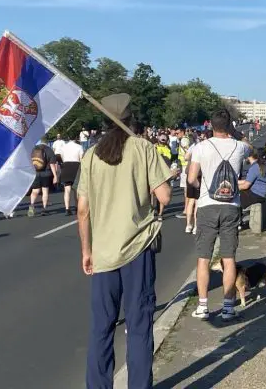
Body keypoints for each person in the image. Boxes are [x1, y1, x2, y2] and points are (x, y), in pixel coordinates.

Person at [76, 93, 171, 389]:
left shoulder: (91, 155)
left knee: (101, 328)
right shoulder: (143, 148)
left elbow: (82, 209)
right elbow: (165, 196)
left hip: (103, 253)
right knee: (139, 327)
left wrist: (87, 251)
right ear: (130, 118)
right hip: (137, 250)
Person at [188, 108, 251, 321]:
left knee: (203, 258)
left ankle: (203, 306)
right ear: (230, 125)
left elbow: (191, 178)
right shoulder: (240, 147)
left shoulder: (201, 147)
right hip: (231, 205)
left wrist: (202, 187)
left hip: (207, 205)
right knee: (229, 258)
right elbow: (254, 157)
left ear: (210, 126)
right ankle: (228, 306)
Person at [29, 139, 58, 217]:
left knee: (35, 191)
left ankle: (31, 206)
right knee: (45, 191)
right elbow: (52, 164)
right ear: (47, 142)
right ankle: (44, 209)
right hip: (46, 173)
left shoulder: (34, 149)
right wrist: (55, 176)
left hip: (36, 173)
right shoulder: (49, 150)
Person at [58, 136, 84, 216]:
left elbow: (61, 157)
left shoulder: (63, 147)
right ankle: (77, 208)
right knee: (76, 189)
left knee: (67, 189)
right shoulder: (79, 147)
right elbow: (81, 158)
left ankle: (67, 208)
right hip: (76, 166)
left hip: (66, 166)